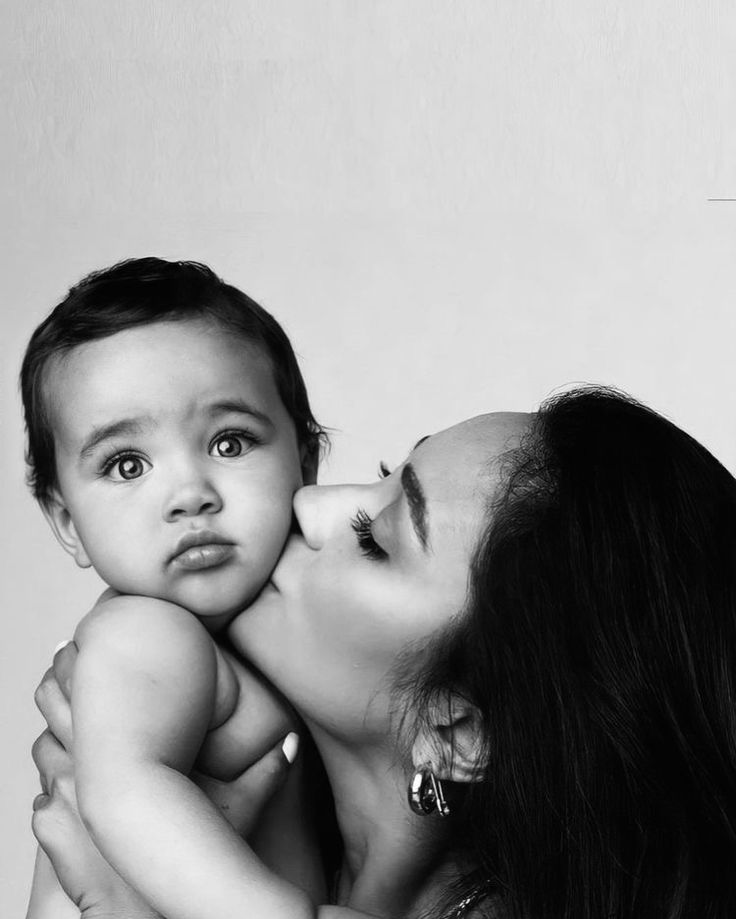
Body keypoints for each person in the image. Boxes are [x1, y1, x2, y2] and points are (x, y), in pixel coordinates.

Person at [31, 388, 736, 918]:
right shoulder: (204, 762)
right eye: (379, 473)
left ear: (456, 732)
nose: (307, 505)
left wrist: (118, 900)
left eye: (374, 536)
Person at [21, 258, 328, 919]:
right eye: (127, 464)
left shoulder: (294, 640)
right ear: (69, 522)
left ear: (306, 460)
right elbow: (124, 792)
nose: (190, 494)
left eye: (230, 441)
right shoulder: (146, 631)